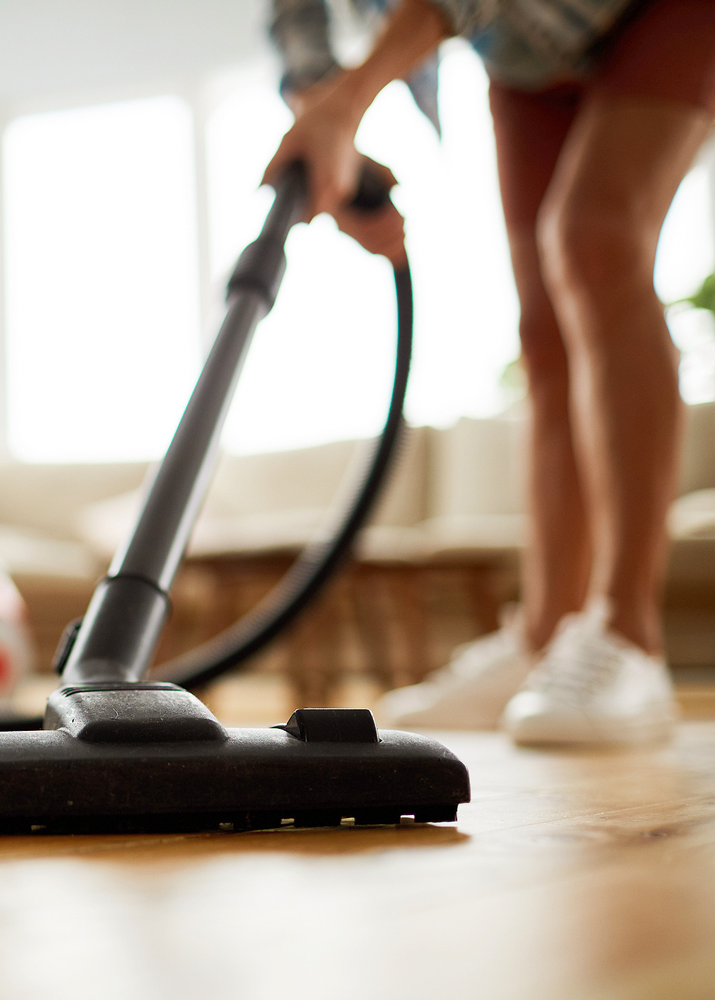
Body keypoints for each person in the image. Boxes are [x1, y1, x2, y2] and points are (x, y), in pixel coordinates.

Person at [265, 0, 715, 744]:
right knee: (541, 323)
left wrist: (347, 104)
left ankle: (629, 638)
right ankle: (546, 634)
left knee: (593, 240)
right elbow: (299, 12)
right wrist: (321, 114)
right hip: (526, 49)